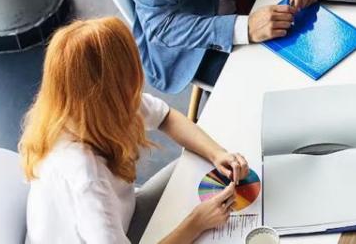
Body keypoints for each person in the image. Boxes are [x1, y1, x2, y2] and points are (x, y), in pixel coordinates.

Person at [20, 17, 251, 243]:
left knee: (195, 168)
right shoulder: (86, 178)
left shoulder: (83, 107)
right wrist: (196, 223)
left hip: (123, 218)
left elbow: (166, 117)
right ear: (111, 89)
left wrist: (217, 153)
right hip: (118, 230)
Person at [128, 0, 320, 93]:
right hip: (195, 46)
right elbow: (160, 25)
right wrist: (244, 28)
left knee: (318, 39)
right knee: (287, 81)